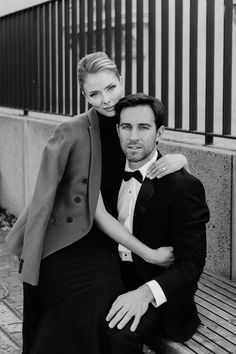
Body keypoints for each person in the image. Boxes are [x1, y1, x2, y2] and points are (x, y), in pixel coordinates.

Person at [6, 52, 187, 354]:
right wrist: (150, 255)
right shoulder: (71, 131)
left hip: (102, 243)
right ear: (84, 95)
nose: (105, 99)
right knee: (84, 305)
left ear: (121, 81)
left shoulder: (132, 118)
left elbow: (154, 157)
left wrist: (181, 158)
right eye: (94, 93)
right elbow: (45, 198)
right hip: (64, 241)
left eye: (111, 88)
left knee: (104, 305)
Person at [103, 93, 210, 353]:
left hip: (158, 289)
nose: (133, 136)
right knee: (73, 312)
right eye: (126, 127)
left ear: (159, 132)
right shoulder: (108, 172)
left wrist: (145, 293)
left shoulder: (184, 187)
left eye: (144, 127)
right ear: (117, 130)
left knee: (118, 336)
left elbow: (191, 264)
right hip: (111, 276)